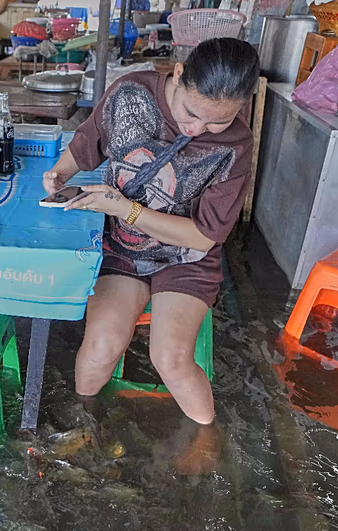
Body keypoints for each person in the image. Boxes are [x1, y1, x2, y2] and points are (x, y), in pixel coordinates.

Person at [42, 37, 258, 425]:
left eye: (219, 121)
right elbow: (88, 142)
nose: (198, 129)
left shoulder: (236, 146)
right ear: (178, 74)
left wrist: (127, 209)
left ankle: (207, 446)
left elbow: (205, 236)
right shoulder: (131, 94)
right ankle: (83, 425)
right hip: (122, 249)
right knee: (100, 347)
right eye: (192, 113)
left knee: (170, 358)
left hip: (185, 257)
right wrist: (60, 174)